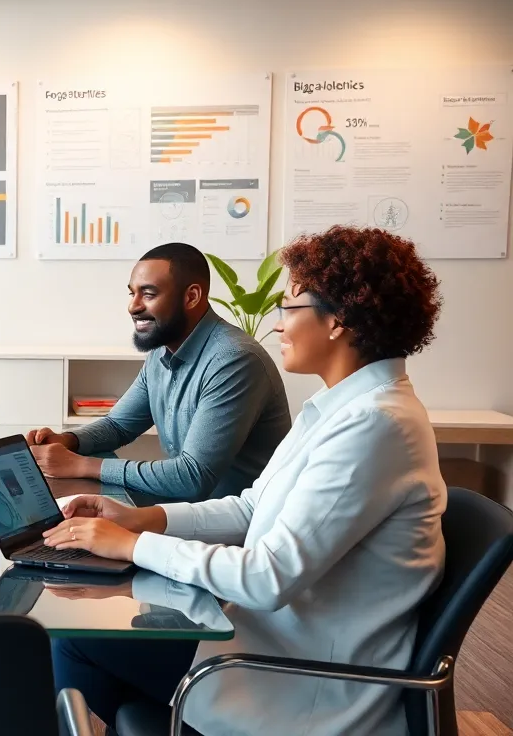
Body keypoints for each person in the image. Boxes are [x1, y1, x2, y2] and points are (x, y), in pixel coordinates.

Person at [47, 226, 445, 735]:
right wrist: (141, 518)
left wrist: (133, 544)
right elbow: (250, 507)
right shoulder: (340, 408)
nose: (278, 326)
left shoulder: (376, 425)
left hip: (302, 680)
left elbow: (268, 576)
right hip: (268, 642)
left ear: (338, 321)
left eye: (289, 308)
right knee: (89, 645)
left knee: (74, 643)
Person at [28, 243, 291, 503]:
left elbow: (193, 477)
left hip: (235, 527)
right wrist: (68, 441)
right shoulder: (161, 351)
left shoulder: (234, 360)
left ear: (192, 297)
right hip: (190, 511)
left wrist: (81, 465)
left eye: (149, 294)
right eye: (132, 294)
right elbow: (118, 425)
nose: (133, 306)